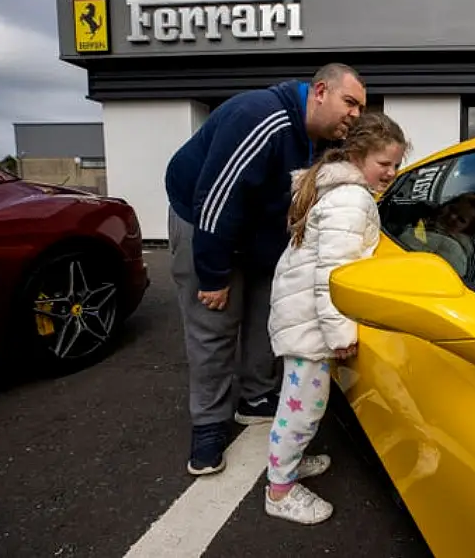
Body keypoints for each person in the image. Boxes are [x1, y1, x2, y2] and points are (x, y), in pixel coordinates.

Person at [165, 63, 367, 476]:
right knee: (214, 323)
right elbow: (218, 197)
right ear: (321, 91)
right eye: (350, 102)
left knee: (264, 314)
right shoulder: (263, 117)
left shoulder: (315, 139)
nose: (356, 115)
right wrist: (214, 274)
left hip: (254, 231)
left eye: (361, 108)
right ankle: (208, 424)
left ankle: (254, 398)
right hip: (206, 224)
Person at [265, 112, 408, 524]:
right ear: (359, 156)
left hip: (304, 316)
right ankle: (280, 489)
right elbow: (334, 273)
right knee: (302, 408)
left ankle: (290, 461)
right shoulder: (352, 199)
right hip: (312, 323)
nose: (392, 172)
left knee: (300, 403)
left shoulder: (341, 189)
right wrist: (341, 332)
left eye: (396, 164)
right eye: (385, 164)